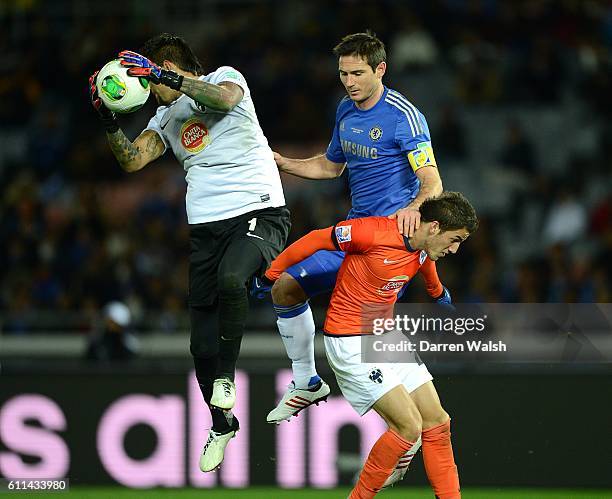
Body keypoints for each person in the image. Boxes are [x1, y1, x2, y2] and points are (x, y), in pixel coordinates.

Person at [88, 33, 290, 472]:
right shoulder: (164, 118)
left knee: (233, 278)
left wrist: (165, 78)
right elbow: (133, 160)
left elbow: (220, 100)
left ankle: (227, 380)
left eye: (152, 81)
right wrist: (107, 120)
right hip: (205, 228)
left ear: (168, 68)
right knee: (200, 346)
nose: (148, 92)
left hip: (259, 210)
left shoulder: (225, 78)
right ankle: (222, 424)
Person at [260, 31, 444, 424]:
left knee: (363, 330)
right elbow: (331, 166)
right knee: (285, 288)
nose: (349, 81)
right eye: (343, 73)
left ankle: (406, 428)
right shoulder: (345, 109)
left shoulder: (404, 116)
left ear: (381, 69)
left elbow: (433, 182)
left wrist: (413, 208)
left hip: (387, 243)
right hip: (355, 232)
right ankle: (307, 382)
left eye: (357, 72)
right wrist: (284, 163)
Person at [263, 192, 478, 499]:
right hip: (350, 341)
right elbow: (317, 239)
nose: (455, 249)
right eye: (454, 239)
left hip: (384, 334)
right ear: (433, 227)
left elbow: (423, 262)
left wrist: (437, 291)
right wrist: (273, 272)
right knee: (408, 427)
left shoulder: (421, 245)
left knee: (438, 421)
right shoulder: (373, 232)